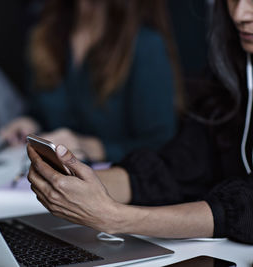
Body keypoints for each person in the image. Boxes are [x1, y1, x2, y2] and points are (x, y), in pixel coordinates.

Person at [26, 0, 253, 244]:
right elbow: (179, 166)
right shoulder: (229, 71)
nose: (239, 14)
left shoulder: (144, 44)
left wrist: (117, 217)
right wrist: (74, 183)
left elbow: (244, 208)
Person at [0, 0, 183, 162]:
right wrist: (30, 123)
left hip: (112, 187)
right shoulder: (46, 33)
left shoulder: (146, 45)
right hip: (44, 179)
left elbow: (160, 144)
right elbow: (41, 111)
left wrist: (88, 146)